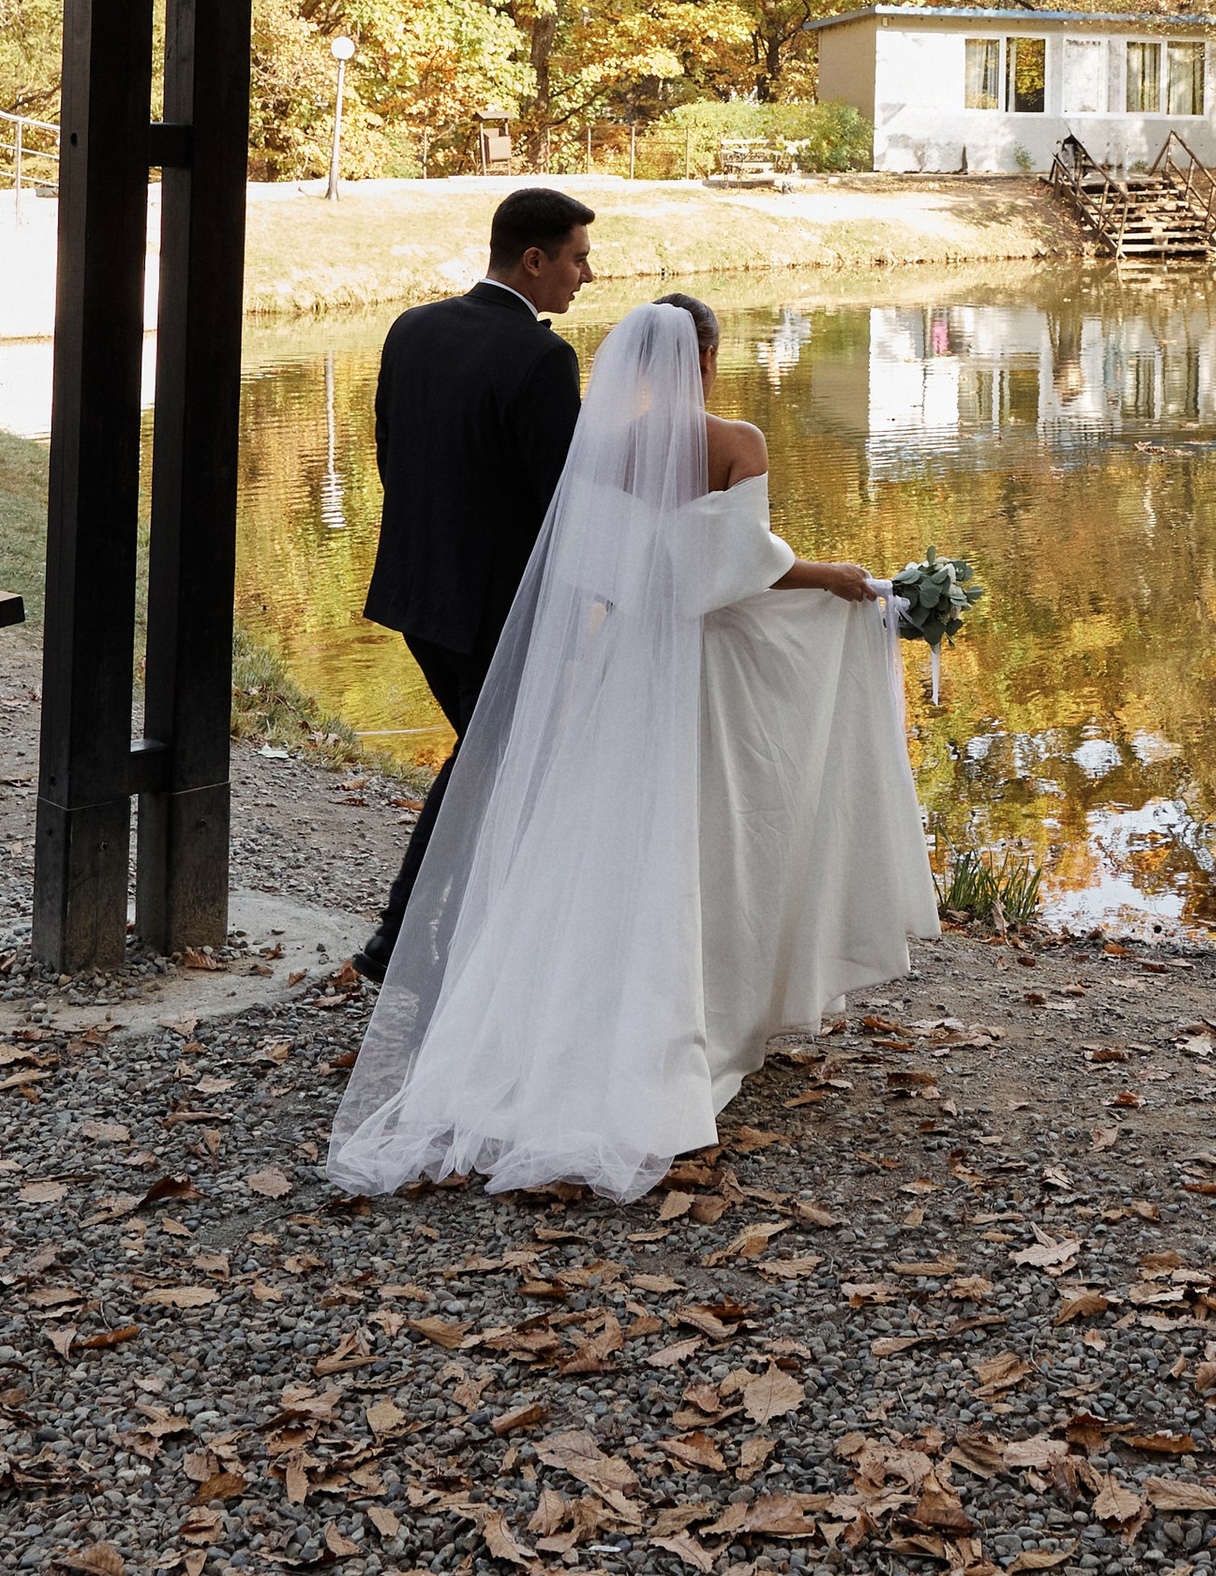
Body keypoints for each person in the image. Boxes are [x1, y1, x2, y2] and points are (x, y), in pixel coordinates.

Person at [328, 291, 937, 1202]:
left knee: (610, 837)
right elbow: (734, 571)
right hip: (710, 670)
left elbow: (596, 570)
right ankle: (703, 1020)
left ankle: (571, 1018)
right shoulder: (736, 443)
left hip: (627, 663)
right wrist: (835, 577)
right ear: (708, 359)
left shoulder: (600, 446)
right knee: (717, 830)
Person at [348, 184, 596, 985]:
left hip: (416, 593)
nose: (587, 276)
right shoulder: (543, 357)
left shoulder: (413, 327)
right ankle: (399, 935)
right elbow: (562, 500)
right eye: (578, 259)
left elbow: (391, 452)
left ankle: (471, 928)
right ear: (535, 260)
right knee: (489, 758)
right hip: (496, 608)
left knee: (492, 759)